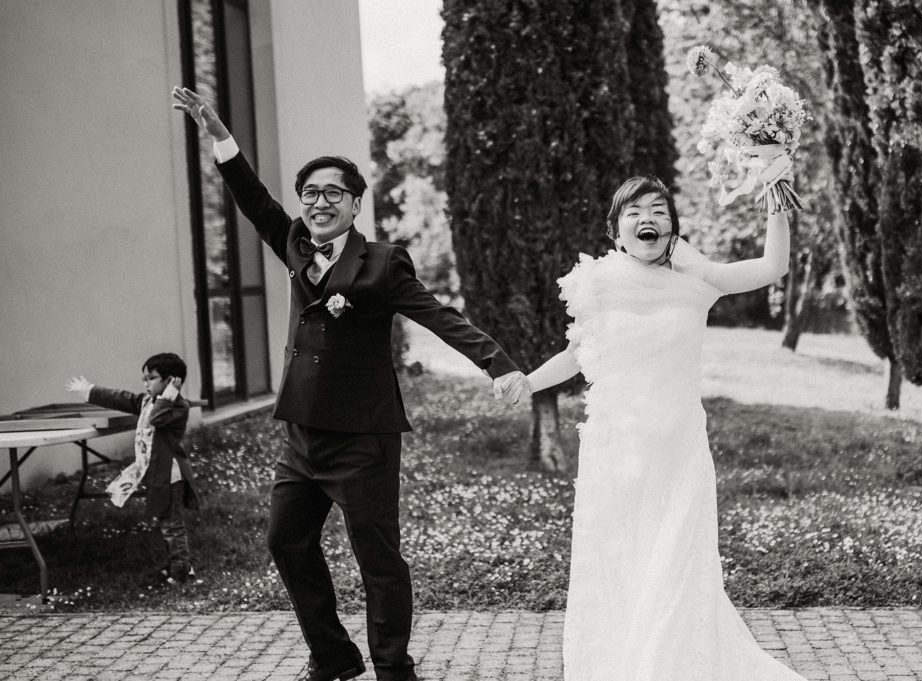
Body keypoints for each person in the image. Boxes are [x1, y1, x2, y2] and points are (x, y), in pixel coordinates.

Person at [172, 87, 528, 681]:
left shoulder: (382, 262)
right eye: (310, 193)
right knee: (286, 544)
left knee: (377, 559)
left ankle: (393, 668)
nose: (318, 202)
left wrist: (499, 363)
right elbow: (252, 199)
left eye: (332, 193)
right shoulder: (292, 242)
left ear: (355, 203)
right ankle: (334, 657)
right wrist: (219, 137)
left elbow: (438, 313)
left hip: (363, 438)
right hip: (301, 434)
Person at [519, 175, 807, 680]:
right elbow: (574, 357)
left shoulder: (697, 279)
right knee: (618, 571)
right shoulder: (598, 283)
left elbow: (771, 267)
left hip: (677, 454)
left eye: (659, 210)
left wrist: (774, 191)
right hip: (614, 453)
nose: (646, 218)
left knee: (674, 572)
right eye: (634, 211)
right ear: (616, 231)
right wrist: (527, 381)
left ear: (672, 228)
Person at [65, 352, 199, 585]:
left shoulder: (178, 407)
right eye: (144, 379)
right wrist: (90, 390)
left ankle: (182, 572)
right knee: (162, 522)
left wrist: (168, 396)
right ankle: (170, 567)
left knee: (172, 526)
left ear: (170, 381)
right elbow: (121, 398)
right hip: (155, 473)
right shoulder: (147, 401)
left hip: (170, 475)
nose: (145, 383)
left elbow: (157, 419)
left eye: (151, 378)